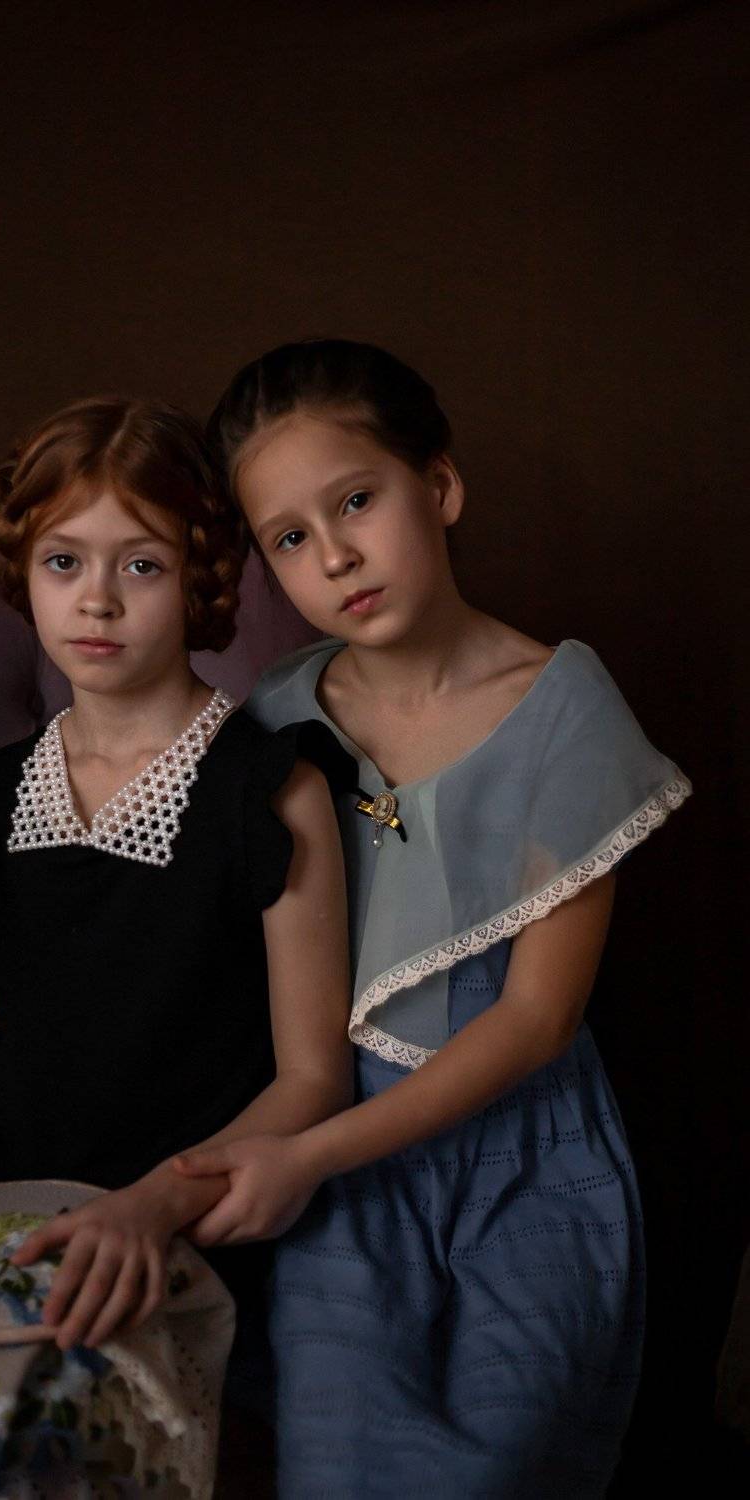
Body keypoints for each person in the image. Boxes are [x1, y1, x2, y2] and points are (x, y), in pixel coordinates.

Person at [174, 340, 692, 1498]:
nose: (336, 556)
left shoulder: (561, 705)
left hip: (523, 1157)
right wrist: (289, 1151)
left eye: (357, 501)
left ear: (440, 487)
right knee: (336, 1457)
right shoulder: (279, 715)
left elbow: (539, 1019)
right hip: (338, 1151)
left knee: (500, 1461)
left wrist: (306, 1157)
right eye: (289, 538)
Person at [0, 395, 354, 1489]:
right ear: (26, 574)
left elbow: (313, 1077)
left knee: (7, 1450)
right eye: (64, 562)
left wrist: (158, 1205)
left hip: (184, 1229)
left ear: (202, 578)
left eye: (141, 566)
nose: (96, 599)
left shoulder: (270, 790)